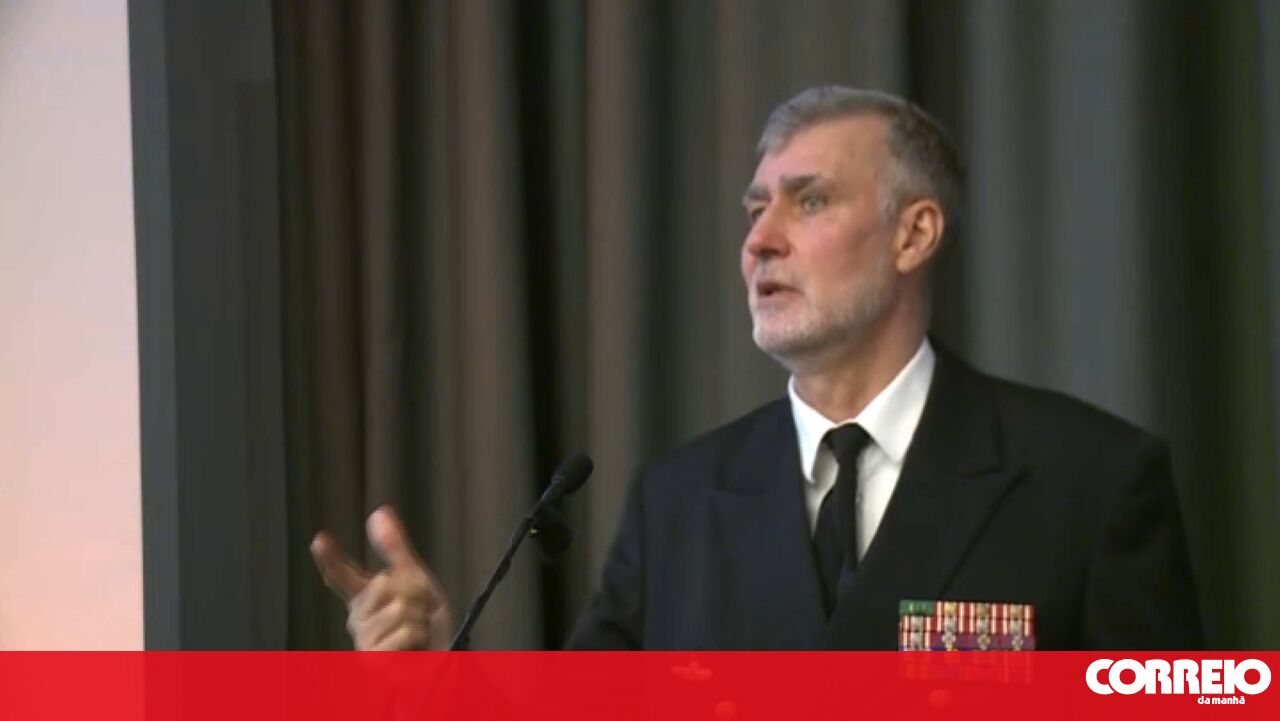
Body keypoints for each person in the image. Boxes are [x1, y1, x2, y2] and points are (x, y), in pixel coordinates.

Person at [311, 86, 1202, 650]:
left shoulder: (1091, 482)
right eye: (754, 209)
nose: (760, 240)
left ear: (914, 234)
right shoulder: (678, 502)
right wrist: (439, 670)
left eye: (809, 201)